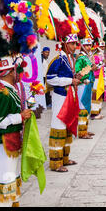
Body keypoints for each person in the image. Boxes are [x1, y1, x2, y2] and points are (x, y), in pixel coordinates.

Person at [0, 56, 33, 206]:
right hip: (2, 143)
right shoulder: (2, 94)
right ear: (11, 72)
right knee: (3, 181)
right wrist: (19, 117)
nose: (20, 74)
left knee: (10, 179)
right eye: (18, 71)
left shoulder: (10, 90)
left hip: (11, 141)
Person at [46, 34, 81, 172]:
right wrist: (70, 81)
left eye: (75, 44)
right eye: (72, 44)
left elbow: (67, 76)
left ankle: (64, 158)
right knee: (58, 126)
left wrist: (75, 78)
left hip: (69, 97)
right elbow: (50, 79)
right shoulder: (58, 59)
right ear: (65, 44)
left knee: (67, 126)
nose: (74, 46)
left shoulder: (70, 59)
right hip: (60, 97)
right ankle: (55, 162)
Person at [75, 37, 98, 139]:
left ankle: (85, 130)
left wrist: (93, 67)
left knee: (86, 107)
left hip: (88, 84)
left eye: (90, 45)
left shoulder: (87, 57)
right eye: (87, 45)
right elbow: (78, 72)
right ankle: (81, 132)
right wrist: (90, 68)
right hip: (82, 85)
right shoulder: (80, 58)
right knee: (83, 107)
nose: (89, 47)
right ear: (82, 46)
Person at [89, 41, 106, 120]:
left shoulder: (100, 55)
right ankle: (94, 114)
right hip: (96, 78)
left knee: (99, 95)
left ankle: (98, 112)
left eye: (103, 47)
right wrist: (102, 62)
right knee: (95, 95)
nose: (103, 48)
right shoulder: (95, 56)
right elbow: (94, 67)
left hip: (100, 77)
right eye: (101, 47)